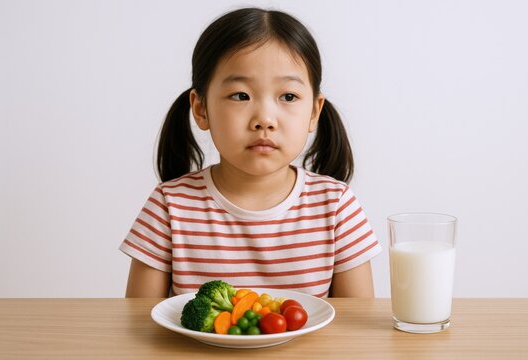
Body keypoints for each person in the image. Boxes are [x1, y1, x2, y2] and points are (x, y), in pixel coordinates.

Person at [120, 7, 382, 298]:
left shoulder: (336, 207)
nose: (264, 119)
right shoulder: (170, 207)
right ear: (201, 109)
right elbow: (140, 323)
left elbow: (356, 327)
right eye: (240, 95)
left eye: (288, 96)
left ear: (314, 112)